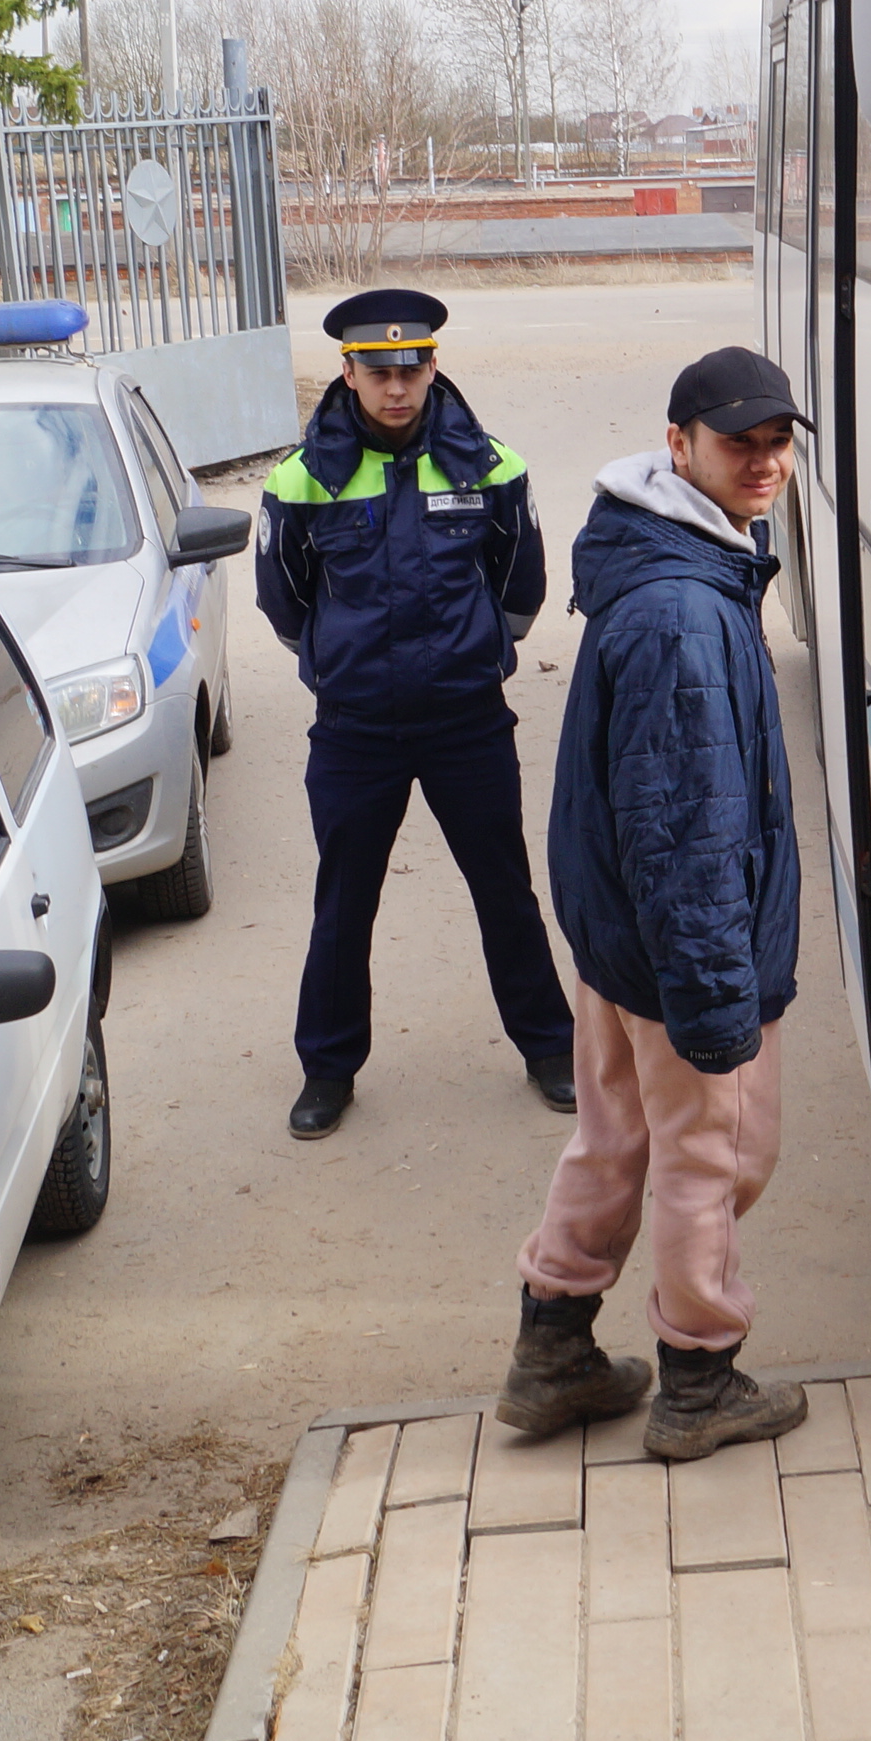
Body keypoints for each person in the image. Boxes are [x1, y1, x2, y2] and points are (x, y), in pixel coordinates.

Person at [499, 346, 815, 1463]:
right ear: (678, 445)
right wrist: (718, 1001)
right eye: (741, 443)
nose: (766, 462)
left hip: (616, 944)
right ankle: (698, 1379)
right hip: (678, 953)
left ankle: (553, 1350)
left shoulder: (665, 556)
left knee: (614, 1135)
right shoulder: (684, 610)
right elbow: (689, 829)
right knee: (712, 1158)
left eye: (778, 442)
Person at [260, 286, 576, 1131]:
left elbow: (523, 581)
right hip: (356, 732)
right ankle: (327, 1070)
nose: (396, 386)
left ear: (434, 367)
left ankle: (551, 1048)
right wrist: (338, 666)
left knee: (504, 890)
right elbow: (284, 599)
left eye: (411, 368)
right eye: (378, 371)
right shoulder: (301, 479)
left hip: (467, 723)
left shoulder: (490, 464)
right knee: (344, 902)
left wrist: (484, 656)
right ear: (349, 374)